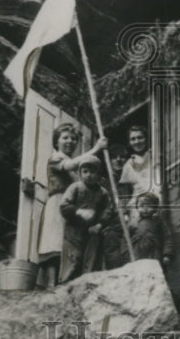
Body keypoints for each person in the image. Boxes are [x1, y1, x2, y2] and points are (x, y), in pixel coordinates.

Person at [36, 123, 107, 288]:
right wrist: (96, 149)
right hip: (58, 203)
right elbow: (70, 165)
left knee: (70, 243)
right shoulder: (56, 158)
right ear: (56, 141)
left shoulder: (75, 165)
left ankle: (64, 282)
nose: (70, 141)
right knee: (56, 242)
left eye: (74, 139)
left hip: (72, 207)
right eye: (65, 138)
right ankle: (51, 283)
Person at [59, 155, 111, 283]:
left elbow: (107, 211)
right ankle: (65, 285)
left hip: (92, 231)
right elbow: (64, 206)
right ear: (80, 173)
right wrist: (78, 211)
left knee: (91, 260)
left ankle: (87, 286)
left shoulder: (103, 192)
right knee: (73, 259)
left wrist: (100, 224)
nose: (89, 175)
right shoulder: (75, 188)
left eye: (93, 172)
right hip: (73, 231)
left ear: (99, 175)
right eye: (85, 171)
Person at [118, 124, 153, 206]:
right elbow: (124, 192)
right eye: (133, 139)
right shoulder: (128, 165)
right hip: (138, 205)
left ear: (146, 138)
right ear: (129, 142)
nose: (137, 142)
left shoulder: (155, 156)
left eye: (140, 137)